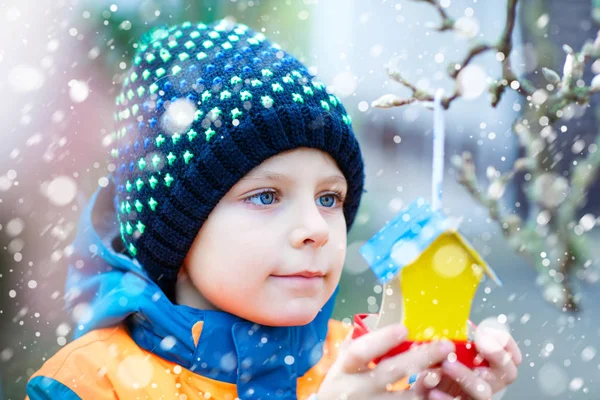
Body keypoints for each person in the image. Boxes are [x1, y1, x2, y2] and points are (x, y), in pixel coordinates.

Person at [25, 19, 521, 400]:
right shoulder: (87, 385)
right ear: (175, 230)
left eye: (329, 198)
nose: (316, 229)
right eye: (266, 196)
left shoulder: (370, 367)